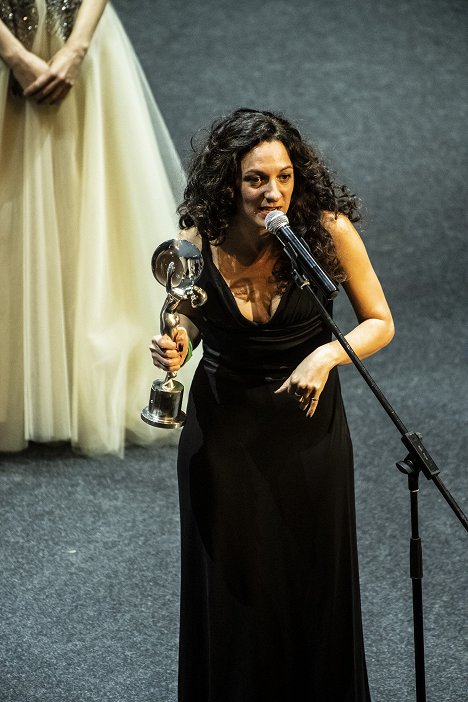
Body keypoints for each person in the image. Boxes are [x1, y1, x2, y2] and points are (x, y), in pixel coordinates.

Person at [150, 108, 394, 701]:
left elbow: (379, 322)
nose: (273, 192)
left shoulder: (325, 232)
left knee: (311, 577)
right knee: (230, 585)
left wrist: (324, 357)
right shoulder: (195, 241)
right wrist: (174, 345)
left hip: (308, 433)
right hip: (224, 434)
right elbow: (184, 318)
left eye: (284, 177)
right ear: (228, 183)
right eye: (257, 179)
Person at [0, 0, 194, 456]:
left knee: (93, 201)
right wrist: (12, 54)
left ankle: (83, 381)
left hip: (83, 39)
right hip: (10, 41)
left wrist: (76, 48)